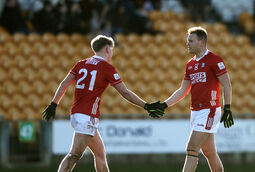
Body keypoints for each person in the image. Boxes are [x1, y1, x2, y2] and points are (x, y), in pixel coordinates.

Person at [41, 35, 163, 172]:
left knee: (100, 154)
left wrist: (54, 104)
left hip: (77, 114)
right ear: (107, 49)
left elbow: (64, 84)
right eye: (111, 50)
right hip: (87, 116)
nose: (112, 53)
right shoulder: (106, 68)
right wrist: (146, 105)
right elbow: (125, 93)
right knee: (74, 155)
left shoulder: (81, 64)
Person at [156, 26, 234, 172]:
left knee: (191, 148)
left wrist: (227, 107)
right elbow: (183, 90)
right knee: (209, 152)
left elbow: (227, 85)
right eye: (188, 41)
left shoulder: (214, 60)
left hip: (209, 110)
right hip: (196, 112)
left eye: (191, 41)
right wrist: (164, 105)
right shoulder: (190, 64)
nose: (188, 44)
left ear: (202, 42)